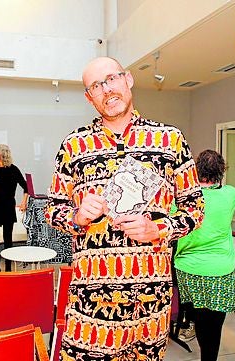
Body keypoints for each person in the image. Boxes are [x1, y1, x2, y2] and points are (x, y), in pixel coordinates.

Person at [45, 56, 204, 360]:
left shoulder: (169, 140)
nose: (106, 90)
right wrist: (77, 216)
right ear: (89, 97)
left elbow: (195, 208)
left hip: (150, 301)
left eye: (111, 79)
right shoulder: (73, 146)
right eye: (95, 86)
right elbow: (53, 209)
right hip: (91, 302)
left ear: (128, 79)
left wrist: (158, 228)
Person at [174, 149, 235, 361]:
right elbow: (223, 191)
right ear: (221, 171)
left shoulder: (182, 201)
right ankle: (209, 357)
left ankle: (190, 329)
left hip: (189, 268)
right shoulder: (232, 195)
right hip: (220, 269)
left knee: (200, 317)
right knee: (215, 323)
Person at [0, 144, 28, 272]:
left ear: (1, 153)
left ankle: (8, 269)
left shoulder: (13, 169)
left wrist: (24, 202)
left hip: (8, 207)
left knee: (7, 239)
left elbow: (26, 187)